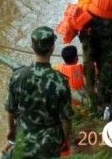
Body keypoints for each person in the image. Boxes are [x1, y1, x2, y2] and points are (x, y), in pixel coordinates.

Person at [5, 26, 74, 158]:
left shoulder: (18, 76)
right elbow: (66, 119)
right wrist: (65, 139)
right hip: (50, 145)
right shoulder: (60, 81)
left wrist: (11, 130)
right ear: (52, 48)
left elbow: (10, 109)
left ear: (32, 47)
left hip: (23, 141)